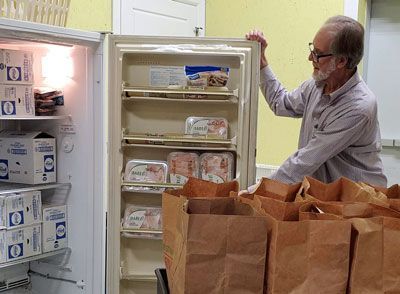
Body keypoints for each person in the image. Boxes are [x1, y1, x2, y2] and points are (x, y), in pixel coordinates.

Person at [245, 15, 387, 190]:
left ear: (341, 61)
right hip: (327, 192)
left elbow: (306, 160)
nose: (309, 57)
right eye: (312, 49)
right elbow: (281, 104)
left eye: (318, 54)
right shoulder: (317, 84)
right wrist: (261, 61)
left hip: (357, 200)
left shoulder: (359, 106)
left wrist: (254, 192)